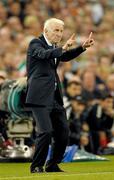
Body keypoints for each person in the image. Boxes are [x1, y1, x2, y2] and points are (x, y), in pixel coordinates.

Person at [25, 18, 94, 173]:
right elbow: (44, 55)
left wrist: (82, 47)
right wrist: (62, 48)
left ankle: (52, 164)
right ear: (46, 30)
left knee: (63, 131)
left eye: (61, 31)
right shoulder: (35, 44)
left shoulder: (55, 48)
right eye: (56, 30)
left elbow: (64, 56)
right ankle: (36, 166)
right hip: (39, 97)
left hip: (54, 97)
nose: (59, 34)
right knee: (46, 131)